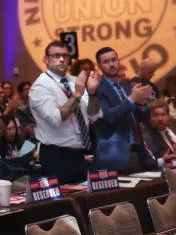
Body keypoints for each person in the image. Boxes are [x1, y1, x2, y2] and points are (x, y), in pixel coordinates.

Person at [29, 41, 101, 184]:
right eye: (56, 55)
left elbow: (93, 115)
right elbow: (56, 118)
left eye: (65, 55)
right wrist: (78, 94)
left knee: (82, 200)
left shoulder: (74, 81)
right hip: (56, 155)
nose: (62, 59)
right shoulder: (40, 86)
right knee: (62, 203)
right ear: (46, 59)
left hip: (80, 154)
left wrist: (92, 93)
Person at [93, 47, 158, 172]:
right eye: (106, 62)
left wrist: (142, 104)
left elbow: (141, 119)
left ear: (119, 61)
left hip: (137, 150)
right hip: (113, 153)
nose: (111, 64)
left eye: (114, 60)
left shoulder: (125, 86)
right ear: (99, 66)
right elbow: (108, 116)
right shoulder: (98, 89)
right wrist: (132, 99)